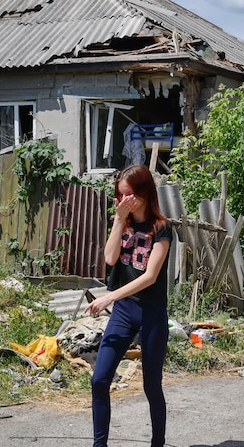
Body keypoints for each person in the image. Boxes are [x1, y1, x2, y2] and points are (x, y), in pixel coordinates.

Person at [85, 164, 172, 447]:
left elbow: (150, 276)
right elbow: (110, 259)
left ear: (144, 193)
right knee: (99, 379)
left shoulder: (162, 228)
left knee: (151, 386)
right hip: (124, 313)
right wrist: (118, 220)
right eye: (119, 196)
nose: (123, 201)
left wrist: (109, 296)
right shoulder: (124, 223)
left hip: (151, 314)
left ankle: (157, 443)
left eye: (128, 195)